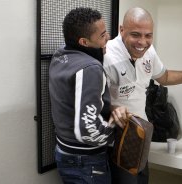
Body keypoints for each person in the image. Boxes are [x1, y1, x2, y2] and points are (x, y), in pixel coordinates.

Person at [103, 7, 182, 184]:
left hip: (141, 133)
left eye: (148, 35)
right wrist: (113, 108)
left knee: (142, 180)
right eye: (136, 34)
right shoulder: (107, 56)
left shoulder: (149, 51)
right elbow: (95, 100)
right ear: (121, 30)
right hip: (118, 137)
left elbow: (165, 77)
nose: (143, 42)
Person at [49, 7, 127, 184]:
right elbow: (87, 130)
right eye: (102, 35)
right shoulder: (90, 68)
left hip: (64, 152)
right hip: (86, 162)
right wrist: (115, 132)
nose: (107, 38)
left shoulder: (60, 55)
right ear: (84, 42)